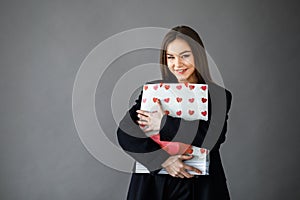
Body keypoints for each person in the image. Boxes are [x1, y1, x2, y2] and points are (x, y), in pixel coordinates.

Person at [117, 25, 232, 200]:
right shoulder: (153, 91)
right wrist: (163, 160)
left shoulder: (218, 96)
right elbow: (125, 132)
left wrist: (163, 123)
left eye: (185, 56)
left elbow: (213, 138)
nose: (177, 64)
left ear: (198, 55)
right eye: (171, 57)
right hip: (153, 185)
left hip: (200, 186)